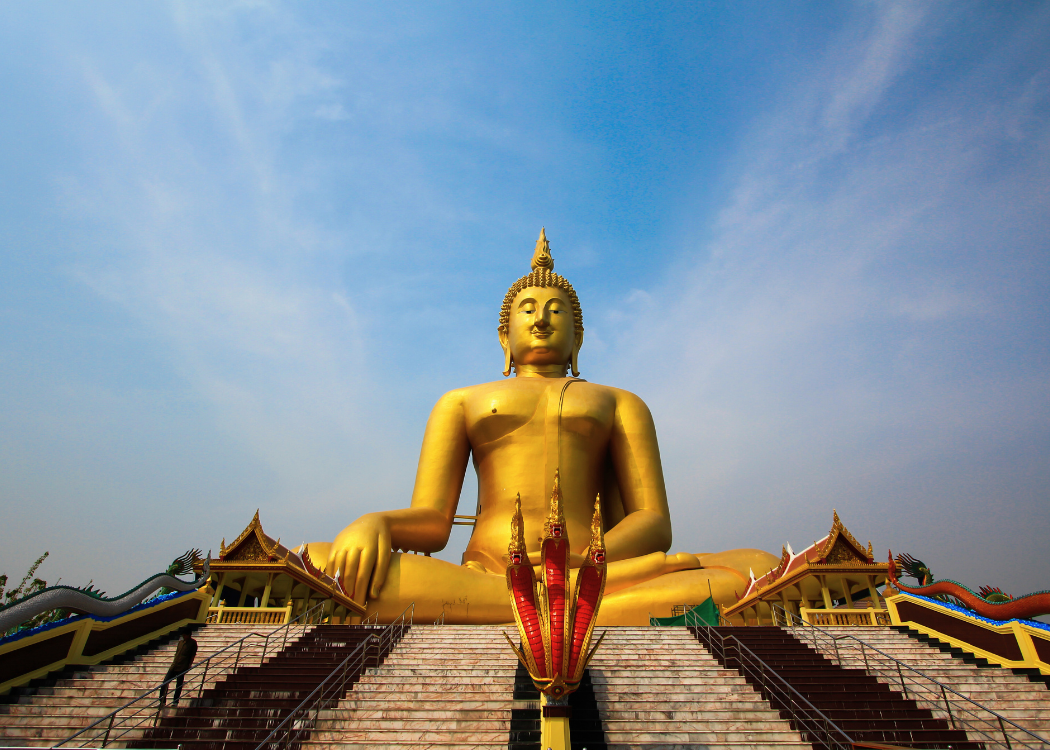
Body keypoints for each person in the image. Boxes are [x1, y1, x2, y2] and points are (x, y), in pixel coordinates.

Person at [308, 230, 777, 624]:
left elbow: (652, 523)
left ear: (579, 337)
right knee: (323, 559)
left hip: (595, 572)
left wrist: (586, 558)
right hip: (489, 572)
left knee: (760, 568)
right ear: (503, 335)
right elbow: (434, 524)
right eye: (527, 309)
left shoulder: (619, 403)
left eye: (557, 310)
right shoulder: (461, 401)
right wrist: (377, 523)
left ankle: (539, 604)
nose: (541, 319)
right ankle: (546, 605)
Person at [159, 631, 197, 707]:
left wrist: (189, 665)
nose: (184, 636)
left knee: (179, 684)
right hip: (174, 665)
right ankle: (162, 701)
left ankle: (175, 701)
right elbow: (177, 653)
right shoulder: (181, 642)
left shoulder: (192, 643)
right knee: (165, 683)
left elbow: (193, 655)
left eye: (185, 635)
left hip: (183, 666)